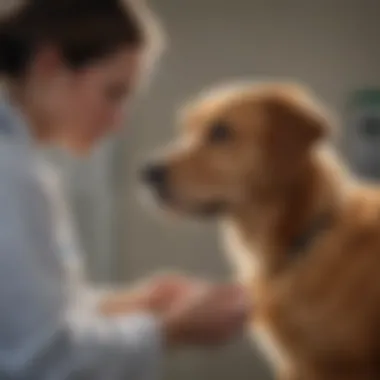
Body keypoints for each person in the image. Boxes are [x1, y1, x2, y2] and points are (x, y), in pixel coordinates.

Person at [0, 1, 250, 379]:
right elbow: (42, 360)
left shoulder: (20, 163)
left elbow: (23, 319)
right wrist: (171, 330)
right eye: (113, 93)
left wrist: (127, 305)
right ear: (49, 65)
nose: (117, 122)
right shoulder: (11, 173)